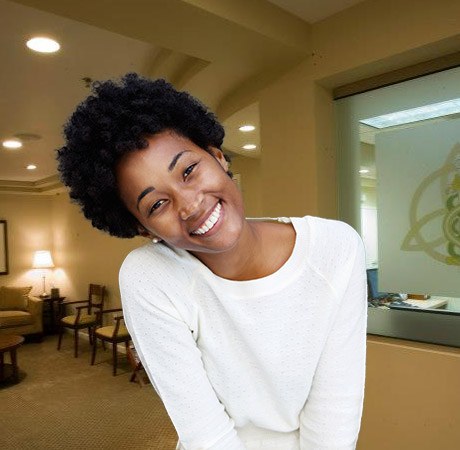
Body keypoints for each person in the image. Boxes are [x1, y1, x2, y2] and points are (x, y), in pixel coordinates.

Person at [57, 73, 367, 450]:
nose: (189, 205)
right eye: (156, 204)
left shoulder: (336, 248)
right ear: (143, 229)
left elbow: (335, 410)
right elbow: (205, 433)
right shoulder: (150, 277)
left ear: (218, 157)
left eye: (188, 171)